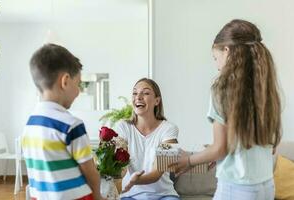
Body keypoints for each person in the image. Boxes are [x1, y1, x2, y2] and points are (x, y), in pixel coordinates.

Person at [171, 19, 282, 200]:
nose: (217, 65)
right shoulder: (265, 89)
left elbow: (220, 148)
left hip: (237, 187)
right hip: (266, 185)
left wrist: (188, 161)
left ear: (227, 51)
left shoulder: (222, 88)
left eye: (216, 58)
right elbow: (265, 144)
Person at [21, 44, 105, 200]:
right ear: (65, 81)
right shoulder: (71, 125)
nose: (79, 91)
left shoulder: (30, 124)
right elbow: (90, 172)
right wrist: (98, 196)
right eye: (78, 84)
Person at [115, 78, 180, 200]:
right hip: (130, 195)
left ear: (157, 101)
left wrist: (136, 180)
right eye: (135, 93)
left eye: (145, 93)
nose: (138, 97)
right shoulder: (123, 127)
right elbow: (120, 165)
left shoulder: (169, 129)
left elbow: (157, 172)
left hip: (164, 195)